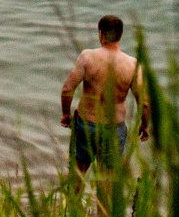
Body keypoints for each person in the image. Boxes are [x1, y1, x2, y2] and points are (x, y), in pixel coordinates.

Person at [60, 14, 150, 177]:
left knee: (78, 173)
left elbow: (67, 89)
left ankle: (73, 203)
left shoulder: (87, 57)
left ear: (100, 34)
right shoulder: (132, 64)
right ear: (120, 35)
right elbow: (144, 102)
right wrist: (144, 125)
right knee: (107, 178)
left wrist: (66, 114)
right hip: (114, 129)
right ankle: (103, 203)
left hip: (86, 125)